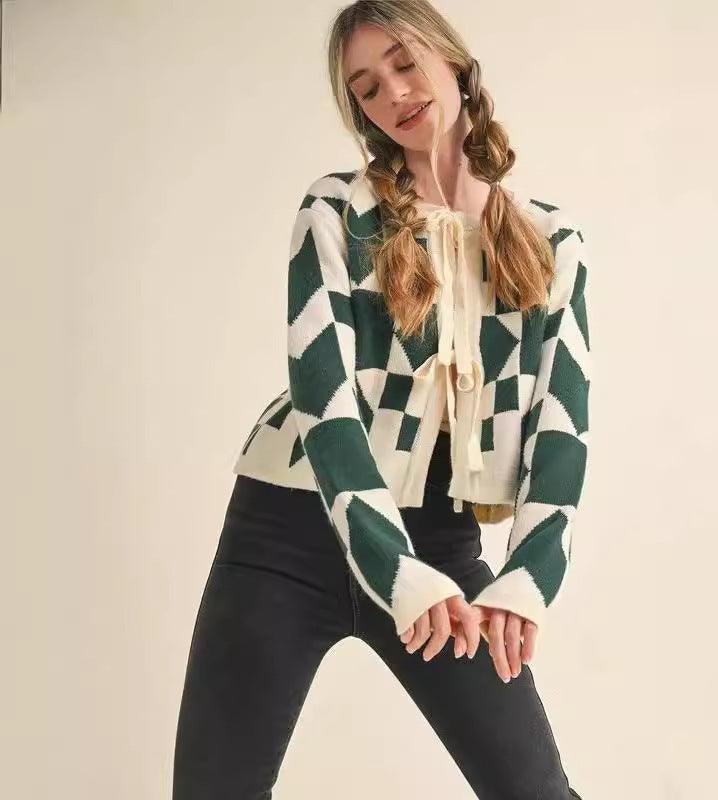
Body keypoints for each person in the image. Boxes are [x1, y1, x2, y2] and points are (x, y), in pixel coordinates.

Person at [172, 2, 591, 798]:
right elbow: (323, 399)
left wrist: (527, 580)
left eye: (404, 62)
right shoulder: (336, 209)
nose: (393, 93)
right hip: (285, 534)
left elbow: (562, 423)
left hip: (439, 541)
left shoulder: (551, 239)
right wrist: (391, 568)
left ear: (453, 61)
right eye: (366, 88)